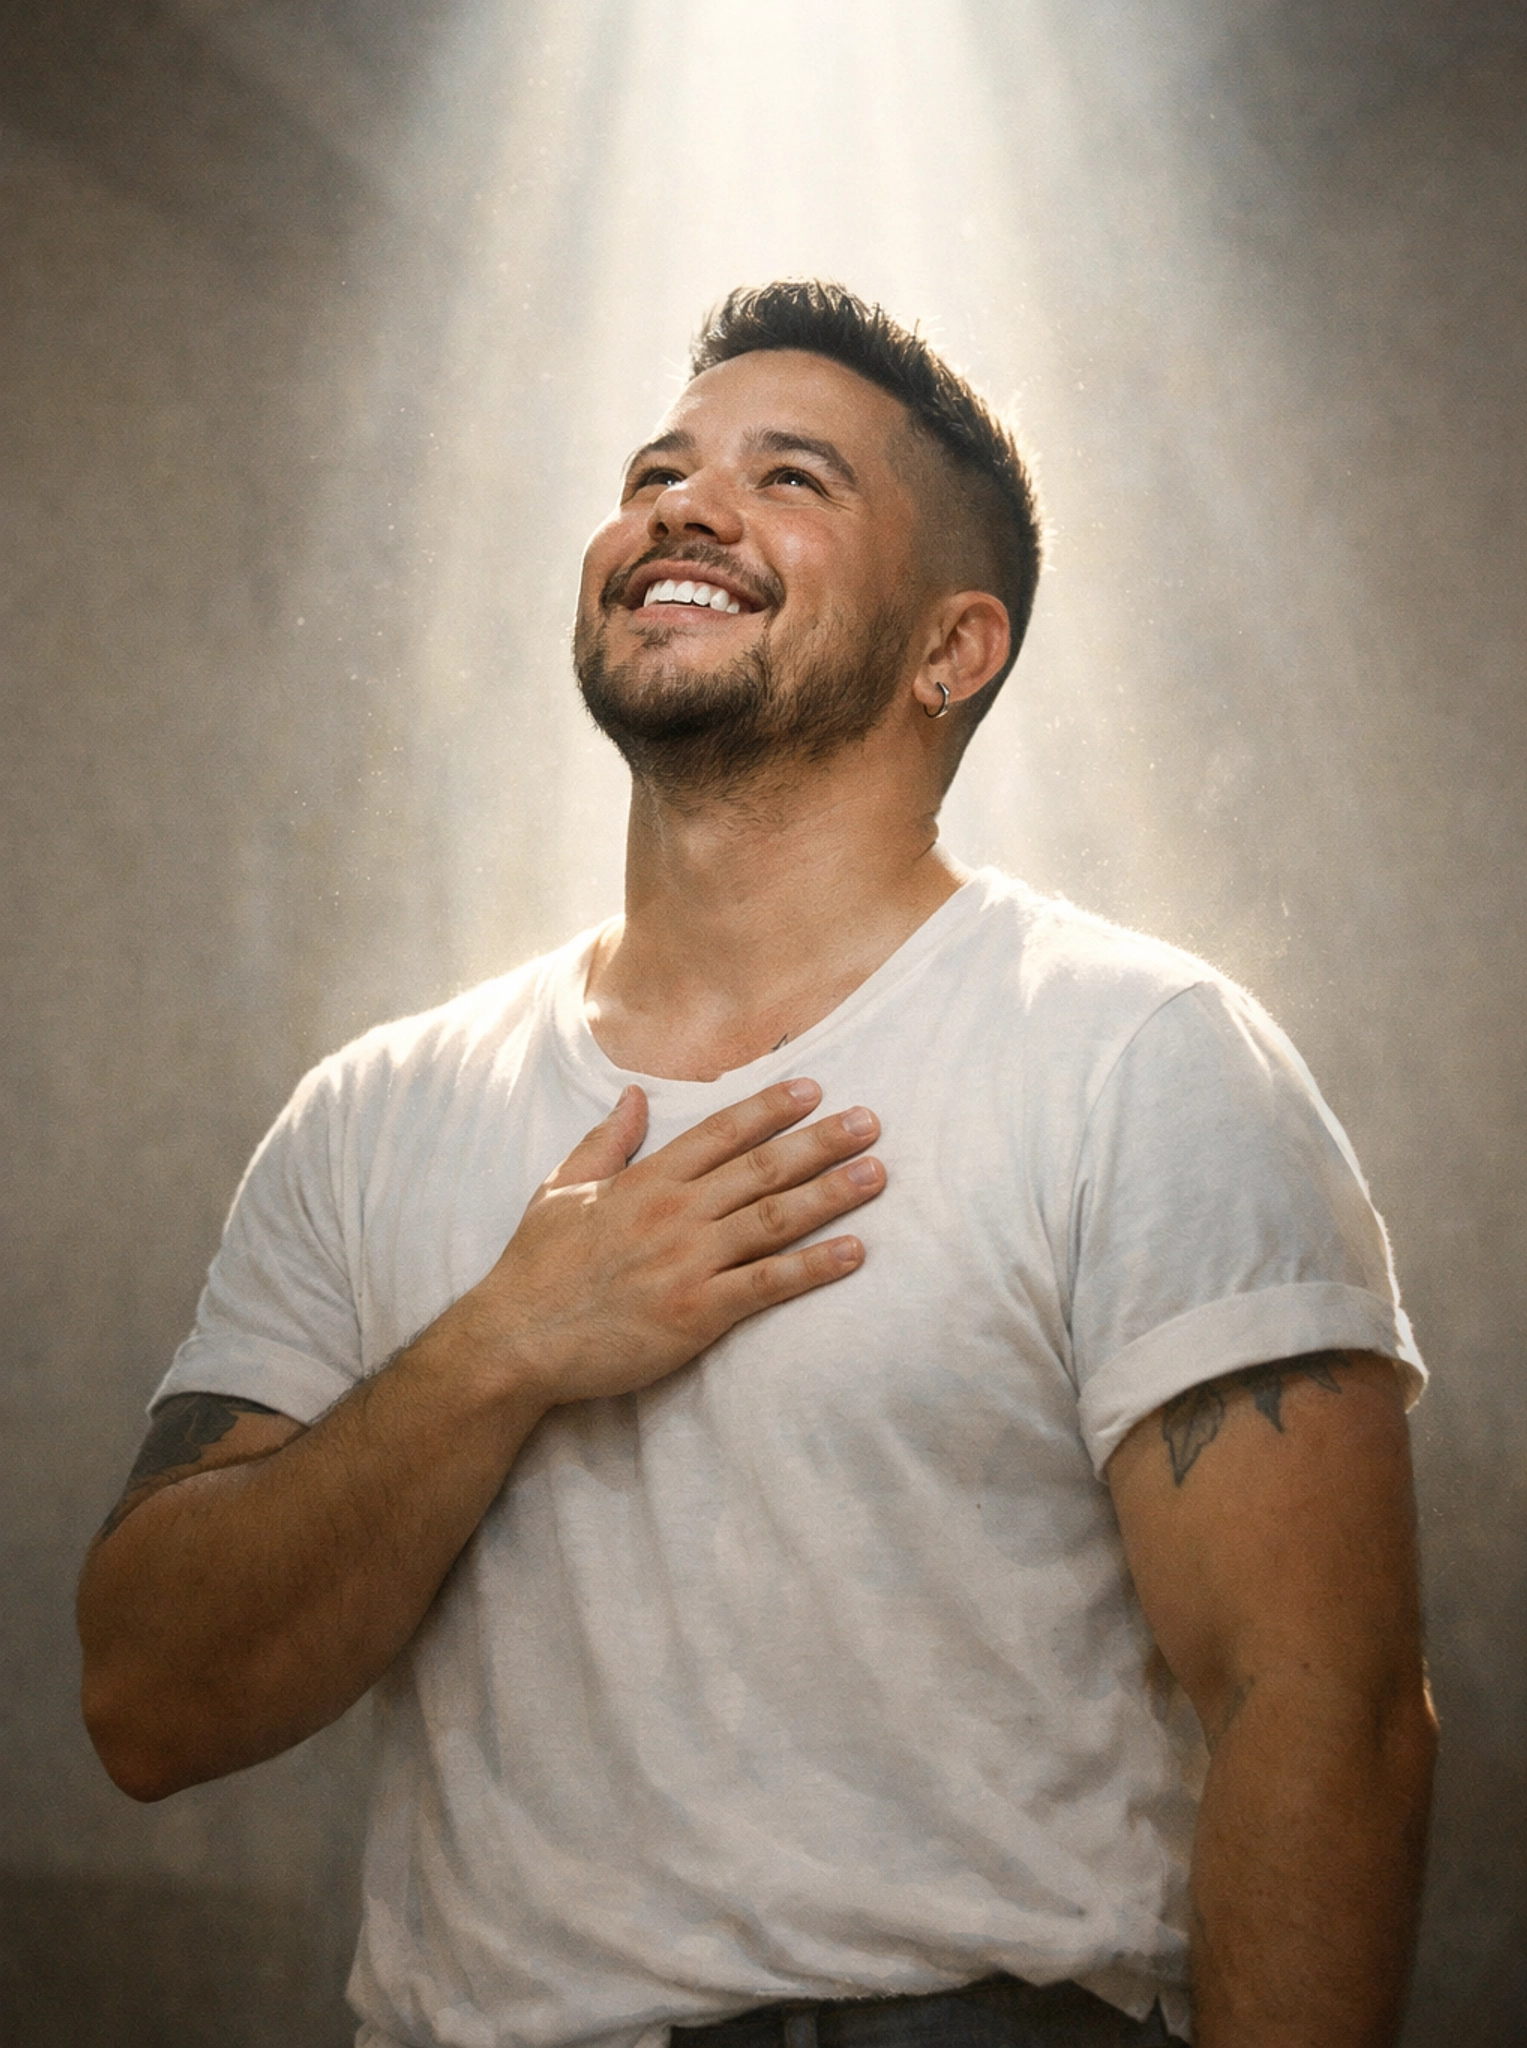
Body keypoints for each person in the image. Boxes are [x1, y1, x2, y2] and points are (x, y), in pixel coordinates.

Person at [79, 282, 1436, 2048]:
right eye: (658, 468)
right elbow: (146, 1704)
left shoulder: (1135, 1056)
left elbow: (1326, 1712)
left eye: (791, 478)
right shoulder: (372, 1113)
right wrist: (502, 1348)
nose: (682, 508)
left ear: (956, 650)